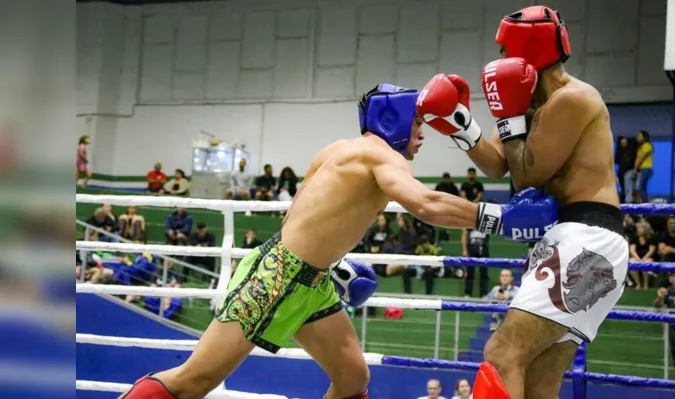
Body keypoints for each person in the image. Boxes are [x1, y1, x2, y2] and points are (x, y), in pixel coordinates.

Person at [120, 83, 558, 399]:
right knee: (194, 381)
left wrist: (332, 264)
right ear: (395, 120)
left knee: (353, 379)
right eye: (420, 123)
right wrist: (503, 217)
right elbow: (424, 204)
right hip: (277, 279)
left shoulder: (336, 149)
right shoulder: (379, 154)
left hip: (309, 280)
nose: (423, 134)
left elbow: (301, 213)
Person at [416, 6, 628, 399]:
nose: (499, 59)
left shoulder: (574, 98)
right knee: (537, 379)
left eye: (503, 50)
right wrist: (462, 123)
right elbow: (500, 164)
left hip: (586, 239)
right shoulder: (529, 103)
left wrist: (511, 118)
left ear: (526, 50)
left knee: (501, 352)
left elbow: (527, 175)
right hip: (577, 242)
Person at [633, 130, 654, 202]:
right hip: (643, 170)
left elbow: (641, 158)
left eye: (639, 136)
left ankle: (645, 205)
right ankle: (645, 205)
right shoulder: (641, 147)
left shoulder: (647, 146)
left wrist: (635, 169)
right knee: (642, 188)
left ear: (644, 137)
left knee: (639, 188)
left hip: (645, 169)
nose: (637, 137)